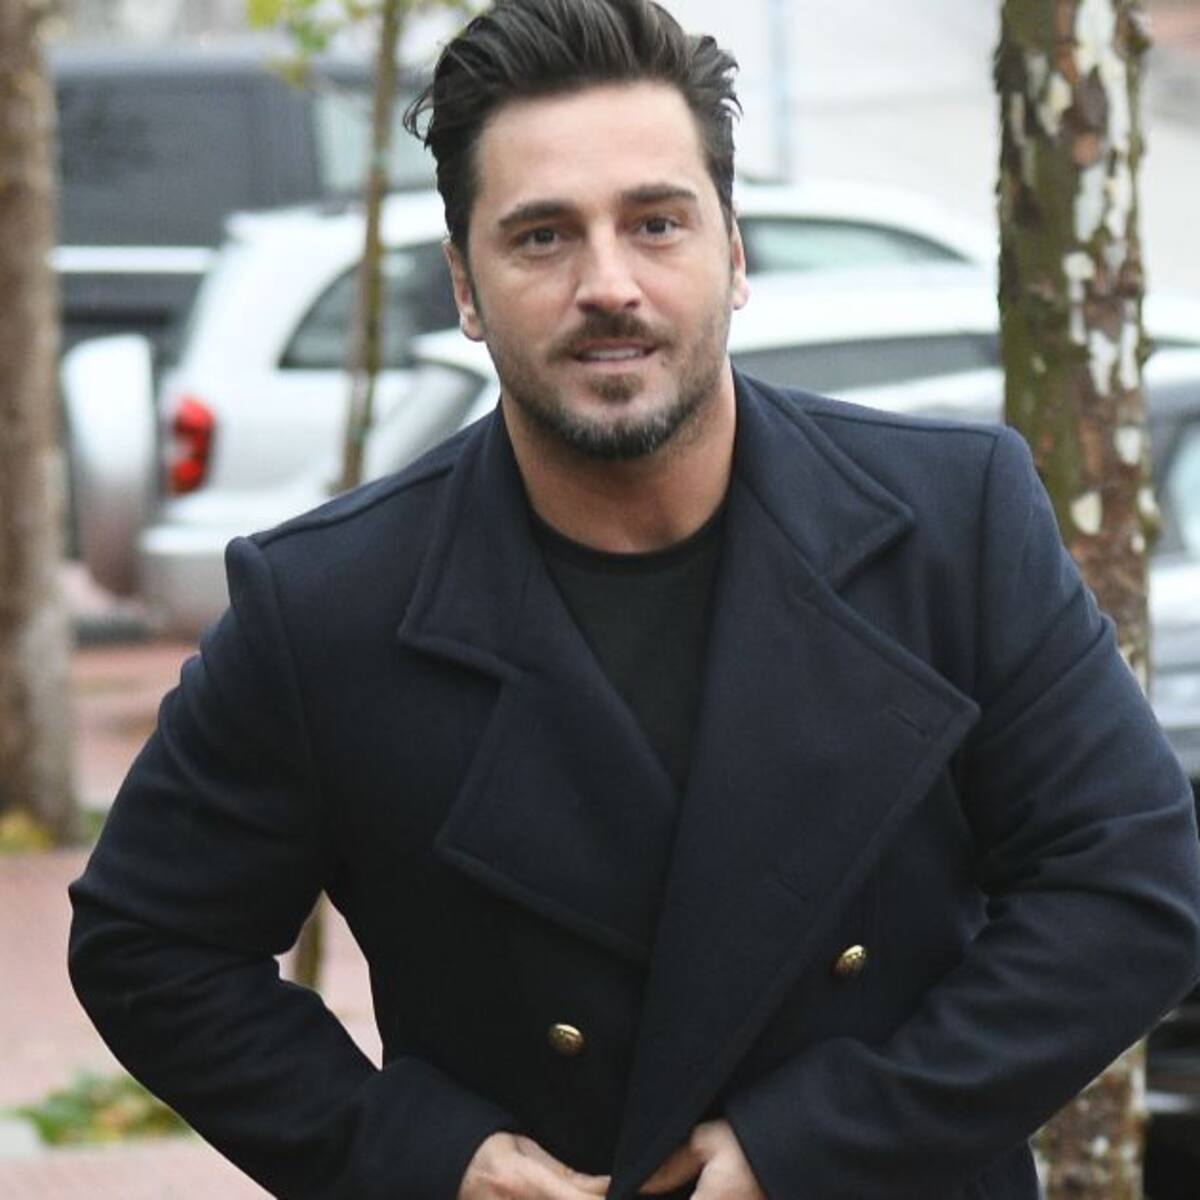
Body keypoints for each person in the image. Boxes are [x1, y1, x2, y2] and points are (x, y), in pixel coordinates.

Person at [69, 1, 1200, 1197]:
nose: (608, 284)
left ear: (735, 254)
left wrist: (817, 1145)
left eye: (656, 223)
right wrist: (419, 1159)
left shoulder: (952, 521)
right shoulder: (326, 604)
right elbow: (149, 942)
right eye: (542, 237)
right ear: (465, 286)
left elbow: (1128, 886)